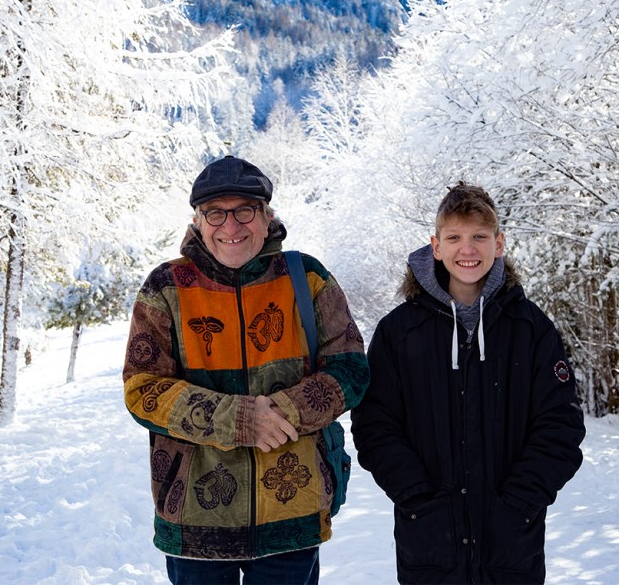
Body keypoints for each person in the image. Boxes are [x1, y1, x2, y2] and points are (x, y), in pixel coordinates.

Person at [123, 155, 369, 584]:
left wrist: (283, 412)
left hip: (291, 512)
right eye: (215, 213)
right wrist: (237, 420)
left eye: (245, 210)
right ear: (198, 221)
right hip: (195, 519)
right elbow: (143, 389)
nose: (231, 225)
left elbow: (350, 368)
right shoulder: (166, 287)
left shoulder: (306, 278)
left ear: (267, 216)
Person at [351, 182, 585, 585]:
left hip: (511, 544)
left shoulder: (531, 329)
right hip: (429, 541)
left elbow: (560, 425)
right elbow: (375, 425)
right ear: (436, 246)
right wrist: (416, 496)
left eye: (479, 236)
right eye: (454, 237)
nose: (468, 249)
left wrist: (520, 503)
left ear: (499, 243)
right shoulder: (399, 332)